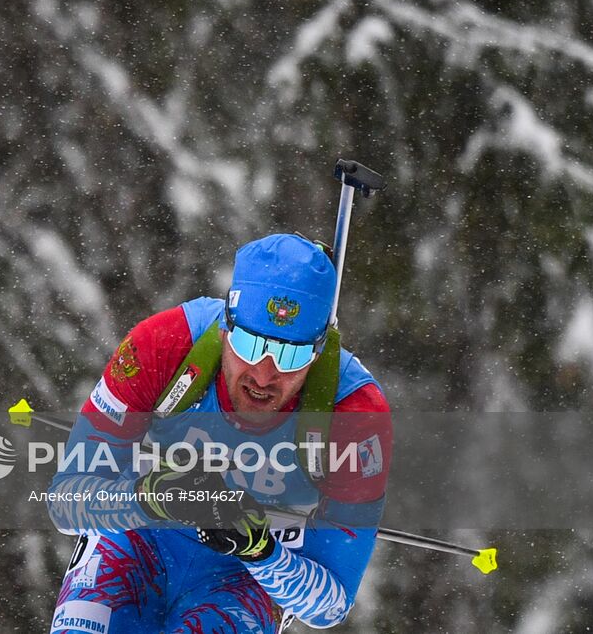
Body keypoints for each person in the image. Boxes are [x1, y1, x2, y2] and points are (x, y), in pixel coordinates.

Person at [46, 234, 391, 634]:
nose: (264, 375)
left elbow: (329, 606)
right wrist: (151, 498)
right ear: (226, 327)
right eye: (249, 344)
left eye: (290, 356)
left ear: (318, 352)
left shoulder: (356, 415)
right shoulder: (162, 344)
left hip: (241, 582)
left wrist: (262, 552)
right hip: (136, 542)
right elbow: (64, 502)